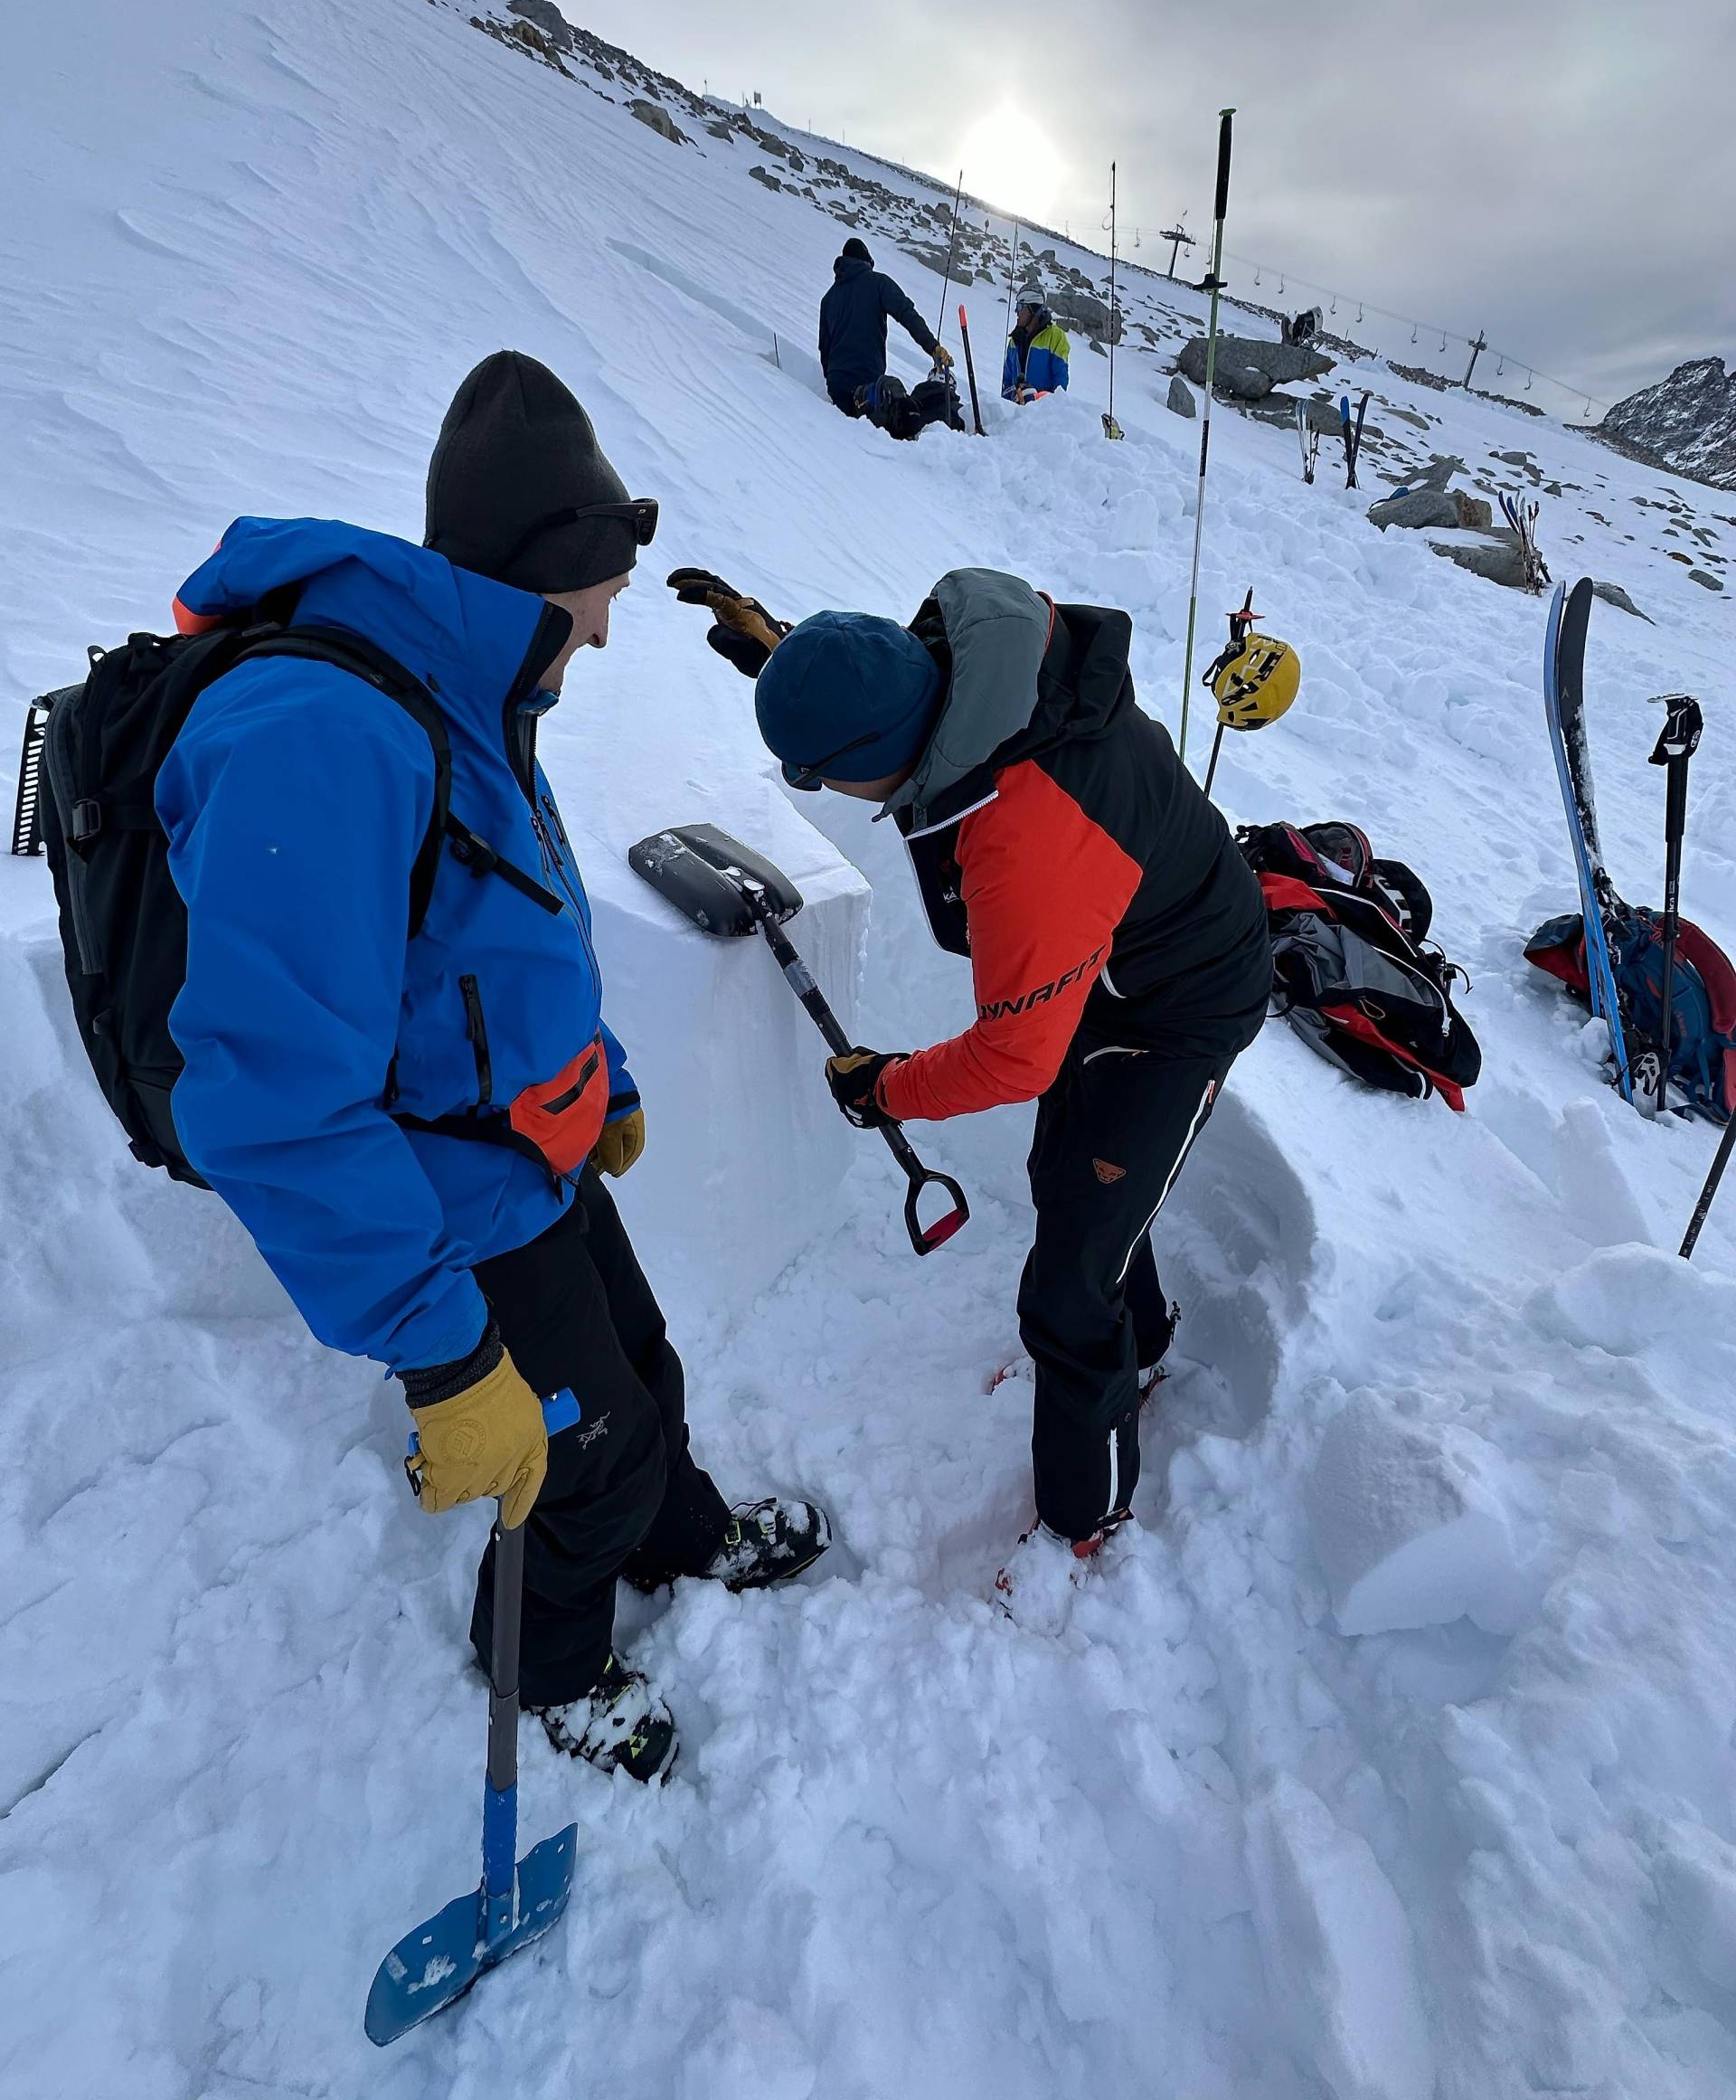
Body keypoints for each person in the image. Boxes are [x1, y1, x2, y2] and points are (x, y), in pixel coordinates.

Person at [156, 353, 829, 1784]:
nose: (606, 633)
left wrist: (607, 1079)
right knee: (571, 1458)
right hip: (446, 1200)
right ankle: (549, 1662)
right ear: (550, 573)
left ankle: (675, 1527)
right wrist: (443, 1351)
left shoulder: (471, 695)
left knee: (640, 1374)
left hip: (534, 1151)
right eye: (600, 601)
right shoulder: (327, 735)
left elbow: (511, 935)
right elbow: (271, 1097)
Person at [668, 564, 1272, 1594]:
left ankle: (1089, 1516)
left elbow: (1014, 1054)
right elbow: (889, 682)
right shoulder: (973, 676)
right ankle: (1149, 1343)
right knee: (1075, 1185)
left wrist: (887, 1088)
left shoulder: (1026, 834)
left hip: (1181, 1006)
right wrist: (791, 656)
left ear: (873, 760)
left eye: (820, 776)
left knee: (1070, 1289)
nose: (821, 794)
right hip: (1110, 967)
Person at [818, 236, 961, 439]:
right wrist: (933, 347)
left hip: (838, 388)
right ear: (868, 262)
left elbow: (824, 348)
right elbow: (907, 314)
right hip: (869, 386)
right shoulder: (878, 283)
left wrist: (833, 382)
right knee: (903, 411)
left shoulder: (828, 299)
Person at [1002, 285, 1071, 403]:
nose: (1016, 311)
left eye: (1020, 306)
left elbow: (1060, 384)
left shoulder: (1055, 336)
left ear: (1032, 309)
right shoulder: (1014, 340)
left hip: (1041, 416)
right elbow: (1007, 381)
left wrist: (1037, 401)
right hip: (1015, 413)